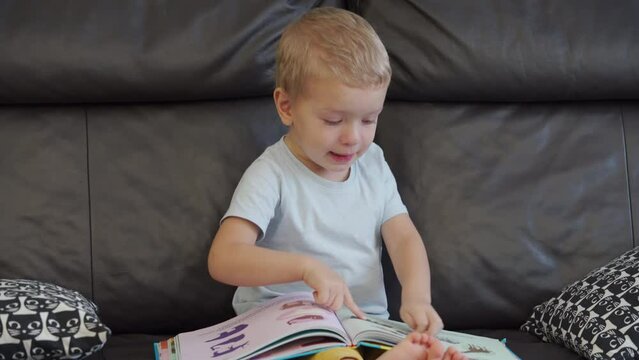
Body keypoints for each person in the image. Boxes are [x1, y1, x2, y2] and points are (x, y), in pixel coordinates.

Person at [208, 7, 466, 359]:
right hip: (288, 328)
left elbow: (404, 237)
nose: (353, 138)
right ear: (286, 106)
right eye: (333, 120)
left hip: (363, 327)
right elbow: (224, 258)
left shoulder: (373, 163)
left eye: (369, 119)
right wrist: (305, 267)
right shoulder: (272, 173)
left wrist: (418, 298)